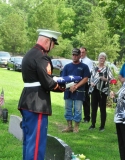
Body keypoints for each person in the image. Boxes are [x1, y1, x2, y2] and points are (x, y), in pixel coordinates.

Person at [18, 29, 65, 160]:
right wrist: (64, 86)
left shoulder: (29, 53)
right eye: (53, 43)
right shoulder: (41, 57)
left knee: (29, 140)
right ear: (47, 41)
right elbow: (48, 82)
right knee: (37, 143)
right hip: (37, 104)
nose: (53, 47)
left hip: (27, 100)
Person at [61, 48, 91, 133]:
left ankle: (76, 127)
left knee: (78, 109)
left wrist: (76, 86)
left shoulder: (84, 67)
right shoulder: (67, 66)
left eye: (76, 55)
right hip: (68, 90)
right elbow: (64, 78)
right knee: (68, 108)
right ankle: (69, 126)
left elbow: (86, 78)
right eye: (73, 55)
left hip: (79, 91)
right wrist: (70, 86)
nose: (74, 56)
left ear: (80, 56)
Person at [88, 52, 113, 131]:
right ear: (98, 59)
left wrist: (104, 79)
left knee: (102, 109)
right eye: (100, 58)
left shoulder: (107, 69)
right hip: (94, 90)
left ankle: (102, 126)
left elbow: (111, 79)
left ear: (105, 59)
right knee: (93, 108)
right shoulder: (94, 68)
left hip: (103, 91)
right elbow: (89, 78)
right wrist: (91, 82)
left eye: (103, 58)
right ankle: (93, 124)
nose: (101, 59)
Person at [80, 47, 93, 123]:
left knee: (86, 100)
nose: (81, 54)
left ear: (85, 53)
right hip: (77, 82)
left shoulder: (89, 61)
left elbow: (89, 73)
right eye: (80, 52)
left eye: (83, 52)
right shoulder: (78, 60)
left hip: (85, 83)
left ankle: (87, 117)